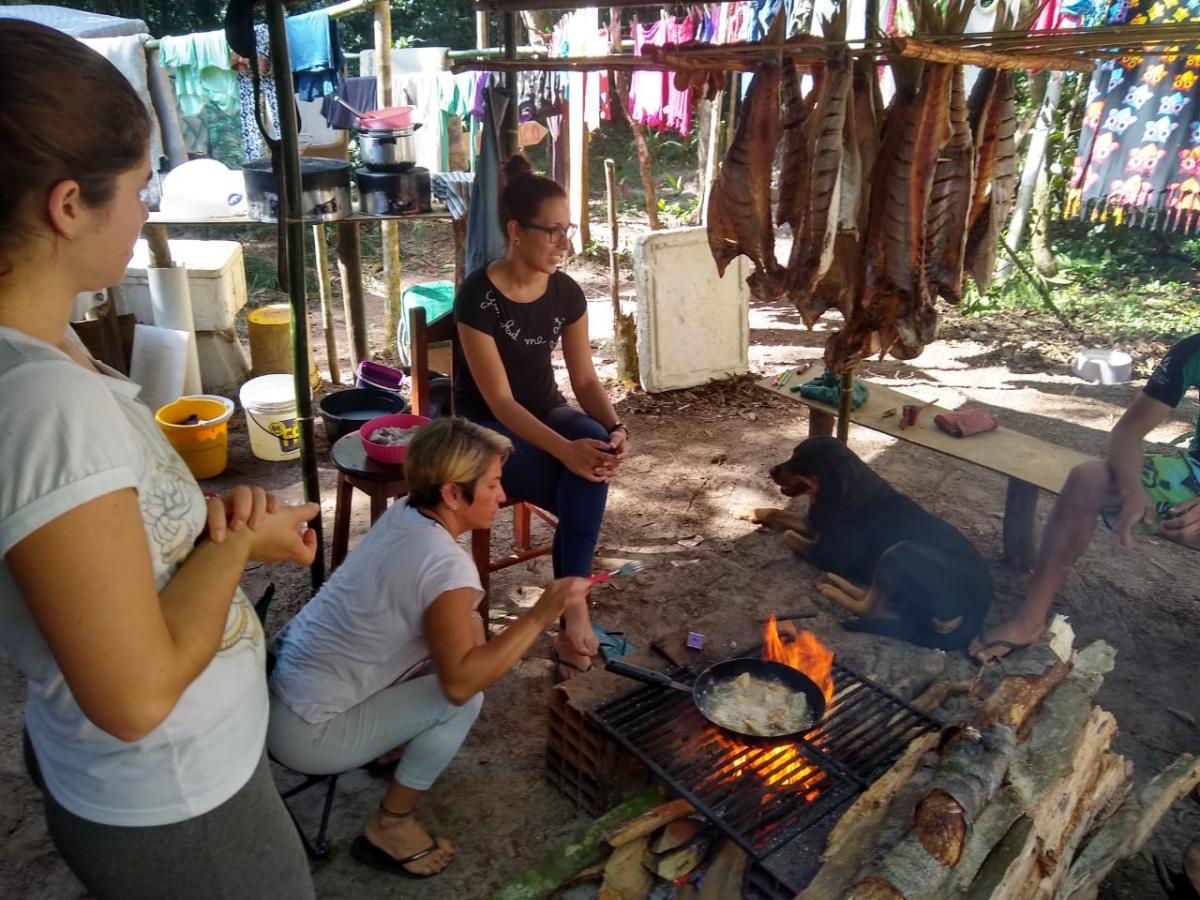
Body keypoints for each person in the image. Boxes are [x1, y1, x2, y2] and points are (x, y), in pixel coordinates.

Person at [0, 21, 321, 900]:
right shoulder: (38, 398)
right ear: (67, 205)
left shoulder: (45, 340)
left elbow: (93, 551)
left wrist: (204, 540)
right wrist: (231, 553)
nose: (146, 211)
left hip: (170, 779)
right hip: (174, 803)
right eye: (140, 189)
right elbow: (134, 696)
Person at [266, 417, 590, 879]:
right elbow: (460, 684)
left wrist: (482, 627)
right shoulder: (445, 567)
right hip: (305, 733)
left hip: (279, 684)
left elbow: (454, 629)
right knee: (460, 701)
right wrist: (540, 614)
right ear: (454, 494)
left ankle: (385, 746)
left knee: (464, 643)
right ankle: (390, 823)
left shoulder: (405, 514)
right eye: (494, 485)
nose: (502, 497)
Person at [454, 153, 628, 680]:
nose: (564, 244)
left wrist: (617, 428)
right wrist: (568, 451)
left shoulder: (565, 291)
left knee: (594, 444)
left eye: (567, 230)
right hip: (484, 432)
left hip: (544, 411)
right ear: (515, 231)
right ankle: (575, 613)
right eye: (552, 232)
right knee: (581, 469)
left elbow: (586, 381)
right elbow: (501, 403)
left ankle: (569, 611)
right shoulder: (477, 298)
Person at [971, 334, 1200, 662]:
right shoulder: (1193, 352)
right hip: (1196, 472)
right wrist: (1131, 490)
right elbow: (1129, 432)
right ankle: (1029, 622)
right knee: (1088, 480)